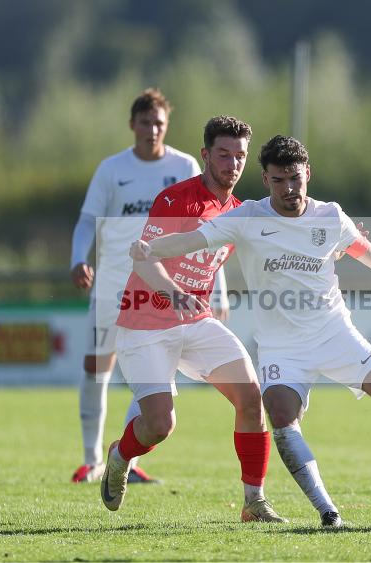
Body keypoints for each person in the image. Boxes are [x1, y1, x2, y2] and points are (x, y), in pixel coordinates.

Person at [131, 135, 371, 527]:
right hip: (281, 349)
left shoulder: (329, 216)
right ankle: (329, 513)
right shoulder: (247, 218)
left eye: (295, 178)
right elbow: (191, 240)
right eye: (279, 180)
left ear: (307, 174)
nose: (289, 189)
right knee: (279, 414)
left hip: (334, 334)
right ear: (265, 180)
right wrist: (150, 249)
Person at [100, 116, 286, 523]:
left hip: (195, 320)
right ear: (205, 155)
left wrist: (335, 245)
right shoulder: (176, 200)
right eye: (223, 154)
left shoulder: (238, 211)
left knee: (251, 395)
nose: (232, 164)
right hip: (145, 320)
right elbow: (145, 258)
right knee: (159, 424)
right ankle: (119, 456)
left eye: (239, 156)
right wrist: (173, 292)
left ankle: (253, 502)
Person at [68, 88, 211, 485]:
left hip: (161, 288)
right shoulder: (111, 170)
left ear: (167, 126)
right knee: (97, 368)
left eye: (159, 124)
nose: (152, 130)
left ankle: (125, 458)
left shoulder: (184, 167)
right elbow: (86, 221)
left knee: (154, 371)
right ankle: (90, 459)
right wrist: (78, 258)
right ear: (132, 124)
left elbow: (207, 230)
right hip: (113, 285)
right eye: (145, 122)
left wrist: (216, 288)